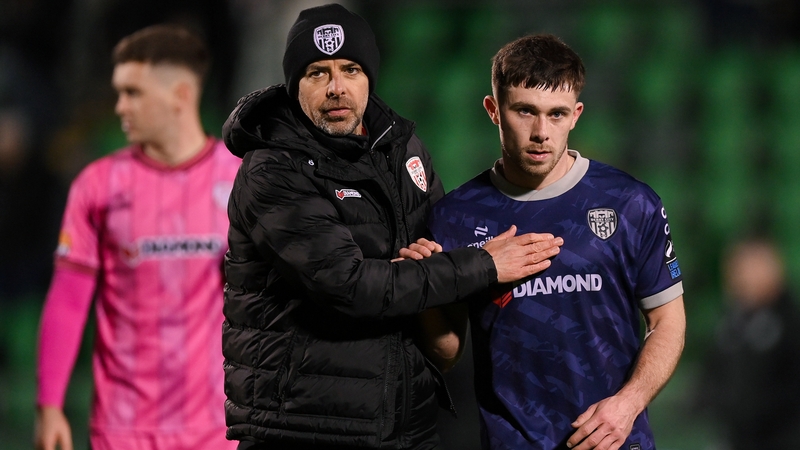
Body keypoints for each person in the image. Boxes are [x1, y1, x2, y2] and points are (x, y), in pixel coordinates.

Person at [220, 4, 564, 450]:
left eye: (350, 69)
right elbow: (348, 285)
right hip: (303, 427)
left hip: (404, 424)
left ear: (370, 75)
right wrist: (482, 264)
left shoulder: (402, 149)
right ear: (294, 83)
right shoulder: (272, 170)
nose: (337, 88)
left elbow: (436, 252)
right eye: (317, 73)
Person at [427, 34, 687, 450]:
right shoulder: (455, 217)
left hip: (617, 441)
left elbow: (668, 322)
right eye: (525, 111)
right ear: (494, 111)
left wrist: (628, 404)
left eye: (557, 114)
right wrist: (426, 284)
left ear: (576, 115)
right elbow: (447, 352)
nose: (541, 132)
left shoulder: (630, 203)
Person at [33, 25, 241, 450]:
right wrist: (49, 405)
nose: (120, 106)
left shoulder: (242, 182)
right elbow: (69, 301)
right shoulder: (98, 186)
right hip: (121, 429)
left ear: (181, 96)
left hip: (217, 430)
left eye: (133, 93)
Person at [696, 237, 800, 450]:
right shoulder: (729, 325)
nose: (741, 277)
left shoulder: (791, 325)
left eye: (750, 268)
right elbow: (711, 377)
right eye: (735, 269)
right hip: (737, 438)